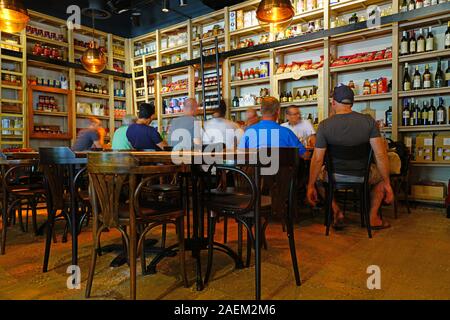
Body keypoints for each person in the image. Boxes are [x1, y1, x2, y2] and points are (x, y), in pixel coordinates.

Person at [307, 85, 393, 230]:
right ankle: (372, 217)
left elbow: (317, 159)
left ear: (333, 102)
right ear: (352, 103)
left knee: (319, 181)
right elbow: (380, 154)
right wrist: (387, 183)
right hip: (362, 176)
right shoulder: (369, 122)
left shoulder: (324, 126)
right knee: (380, 180)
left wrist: (310, 185)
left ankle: (337, 211)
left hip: (333, 176)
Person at [239, 96, 306, 156]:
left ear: (261, 111)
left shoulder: (249, 132)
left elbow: (240, 155)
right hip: (282, 169)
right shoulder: (287, 132)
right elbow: (304, 154)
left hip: (256, 169)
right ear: (278, 111)